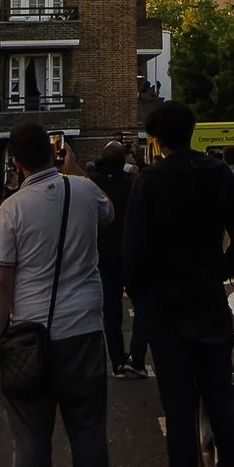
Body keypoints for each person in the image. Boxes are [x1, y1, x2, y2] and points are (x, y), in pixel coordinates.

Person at [126, 101, 234, 467]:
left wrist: (145, 298)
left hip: (167, 310)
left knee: (180, 419)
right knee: (221, 410)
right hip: (207, 303)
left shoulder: (149, 182)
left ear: (157, 140)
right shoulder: (219, 175)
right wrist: (217, 272)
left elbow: (133, 252)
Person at [0, 122, 114, 467]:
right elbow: (109, 213)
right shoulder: (84, 191)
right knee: (89, 432)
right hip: (84, 332)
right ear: (54, 152)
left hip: (31, 337)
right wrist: (75, 170)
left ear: (16, 162)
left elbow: (0, 281)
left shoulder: (11, 209)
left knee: (31, 440)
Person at [86, 140, 138, 377]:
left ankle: (117, 359)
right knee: (143, 305)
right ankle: (137, 355)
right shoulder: (132, 184)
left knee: (111, 309)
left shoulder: (94, 185)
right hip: (130, 252)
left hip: (104, 254)